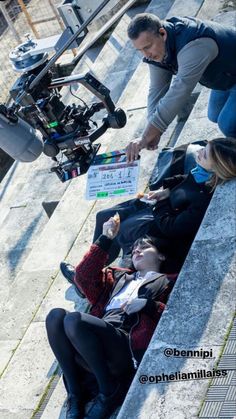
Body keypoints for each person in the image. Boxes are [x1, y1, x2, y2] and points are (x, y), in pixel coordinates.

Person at [61, 137, 236, 290]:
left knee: (122, 228)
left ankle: (86, 279)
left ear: (217, 168)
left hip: (162, 221)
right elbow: (186, 180)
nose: (199, 152)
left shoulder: (204, 197)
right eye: (204, 148)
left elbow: (171, 227)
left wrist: (161, 202)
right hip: (161, 204)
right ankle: (93, 269)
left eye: (204, 154)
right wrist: (166, 190)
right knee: (103, 215)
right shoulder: (203, 172)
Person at [46, 221, 177, 419]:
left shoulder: (169, 281)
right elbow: (83, 278)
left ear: (161, 255)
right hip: (92, 345)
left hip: (124, 346)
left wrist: (148, 305)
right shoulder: (118, 277)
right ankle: (75, 393)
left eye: (145, 247)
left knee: (74, 320)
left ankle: (109, 392)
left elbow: (178, 317)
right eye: (134, 249)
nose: (137, 251)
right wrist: (106, 237)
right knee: (55, 316)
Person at [125, 13, 236, 162]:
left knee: (227, 124)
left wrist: (146, 136)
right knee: (214, 115)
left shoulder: (194, 44)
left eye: (147, 47)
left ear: (162, 34)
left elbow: (180, 91)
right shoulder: (159, 49)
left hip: (231, 74)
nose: (146, 55)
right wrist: (152, 133)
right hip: (227, 76)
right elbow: (156, 91)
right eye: (140, 50)